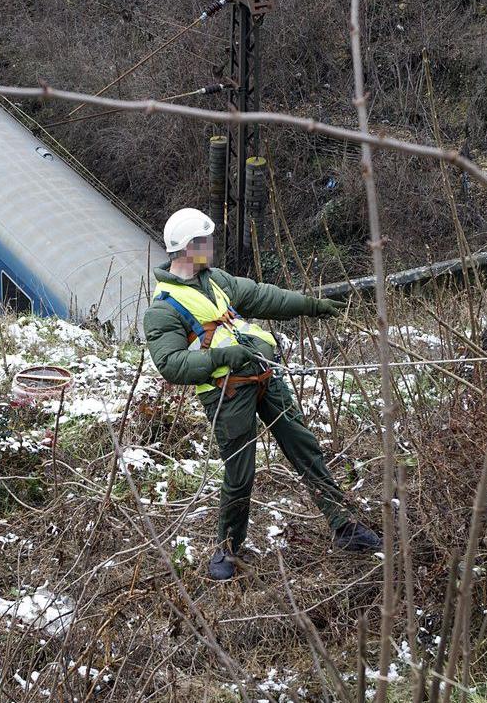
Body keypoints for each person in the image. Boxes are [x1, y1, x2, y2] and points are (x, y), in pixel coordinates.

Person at [144, 207, 382, 581]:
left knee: (304, 446)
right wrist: (223, 356)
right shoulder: (163, 310)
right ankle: (227, 549)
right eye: (206, 241)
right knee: (240, 474)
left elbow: (262, 296)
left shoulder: (217, 280)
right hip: (226, 395)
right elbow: (171, 364)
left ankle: (344, 524)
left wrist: (311, 306)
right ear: (189, 247)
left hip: (265, 377)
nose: (213, 245)